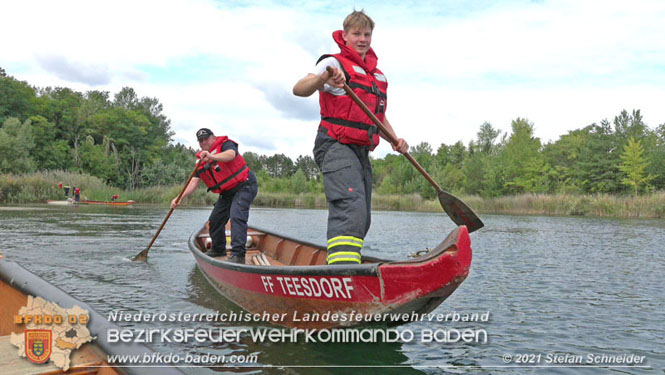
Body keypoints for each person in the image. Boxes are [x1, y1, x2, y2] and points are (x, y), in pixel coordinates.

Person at [293, 10, 408, 265]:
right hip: (334, 144)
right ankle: (342, 273)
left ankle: (346, 264)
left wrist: (395, 140)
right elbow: (299, 89)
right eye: (356, 34)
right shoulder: (332, 63)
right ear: (345, 36)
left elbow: (378, 117)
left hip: (359, 150)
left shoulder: (378, 76)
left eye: (367, 34)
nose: (362, 39)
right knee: (350, 206)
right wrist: (325, 77)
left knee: (363, 215)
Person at [171, 128, 258, 264]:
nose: (204, 142)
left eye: (206, 138)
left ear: (213, 137)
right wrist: (179, 197)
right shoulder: (201, 161)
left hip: (244, 185)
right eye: (201, 140)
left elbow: (231, 154)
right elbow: (193, 182)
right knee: (215, 221)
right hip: (227, 193)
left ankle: (238, 255)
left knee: (237, 216)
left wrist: (212, 157)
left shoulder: (225, 145)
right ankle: (218, 249)